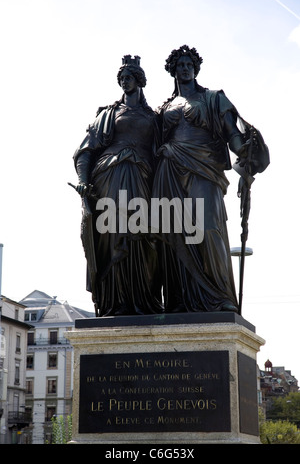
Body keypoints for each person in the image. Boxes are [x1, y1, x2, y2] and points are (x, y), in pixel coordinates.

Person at [153, 45, 269, 313]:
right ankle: (180, 299)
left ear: (195, 69)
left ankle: (219, 295)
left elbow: (233, 136)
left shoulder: (213, 98)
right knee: (175, 232)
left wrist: (246, 156)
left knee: (207, 228)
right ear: (172, 70)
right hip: (168, 169)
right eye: (179, 64)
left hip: (204, 167)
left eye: (189, 64)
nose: (184, 68)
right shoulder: (164, 107)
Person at [73, 55, 163, 317]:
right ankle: (115, 302)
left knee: (145, 239)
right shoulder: (108, 114)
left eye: (130, 77)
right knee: (112, 236)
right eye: (122, 78)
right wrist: (82, 181)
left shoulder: (154, 117)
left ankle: (143, 300)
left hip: (143, 180)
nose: (125, 82)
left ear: (140, 80)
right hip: (109, 176)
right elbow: (85, 151)